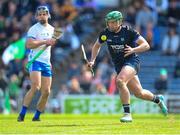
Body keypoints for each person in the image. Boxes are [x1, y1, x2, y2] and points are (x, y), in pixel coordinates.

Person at [87, 11, 168, 122]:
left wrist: (133, 50)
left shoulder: (128, 31)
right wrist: (93, 60)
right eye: (108, 22)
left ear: (119, 22)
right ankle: (158, 99)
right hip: (119, 66)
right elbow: (96, 46)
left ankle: (127, 114)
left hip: (132, 61)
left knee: (120, 81)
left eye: (112, 22)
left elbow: (146, 45)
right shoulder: (105, 34)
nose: (110, 25)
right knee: (139, 93)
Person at [17, 6, 57, 121]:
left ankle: (37, 116)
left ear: (48, 15)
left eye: (44, 14)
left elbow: (48, 48)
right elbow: (29, 45)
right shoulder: (33, 29)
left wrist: (50, 61)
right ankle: (22, 114)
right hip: (35, 60)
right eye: (39, 14)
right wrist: (45, 41)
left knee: (46, 91)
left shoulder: (52, 29)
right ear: (36, 16)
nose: (41, 16)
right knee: (36, 86)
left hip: (46, 62)